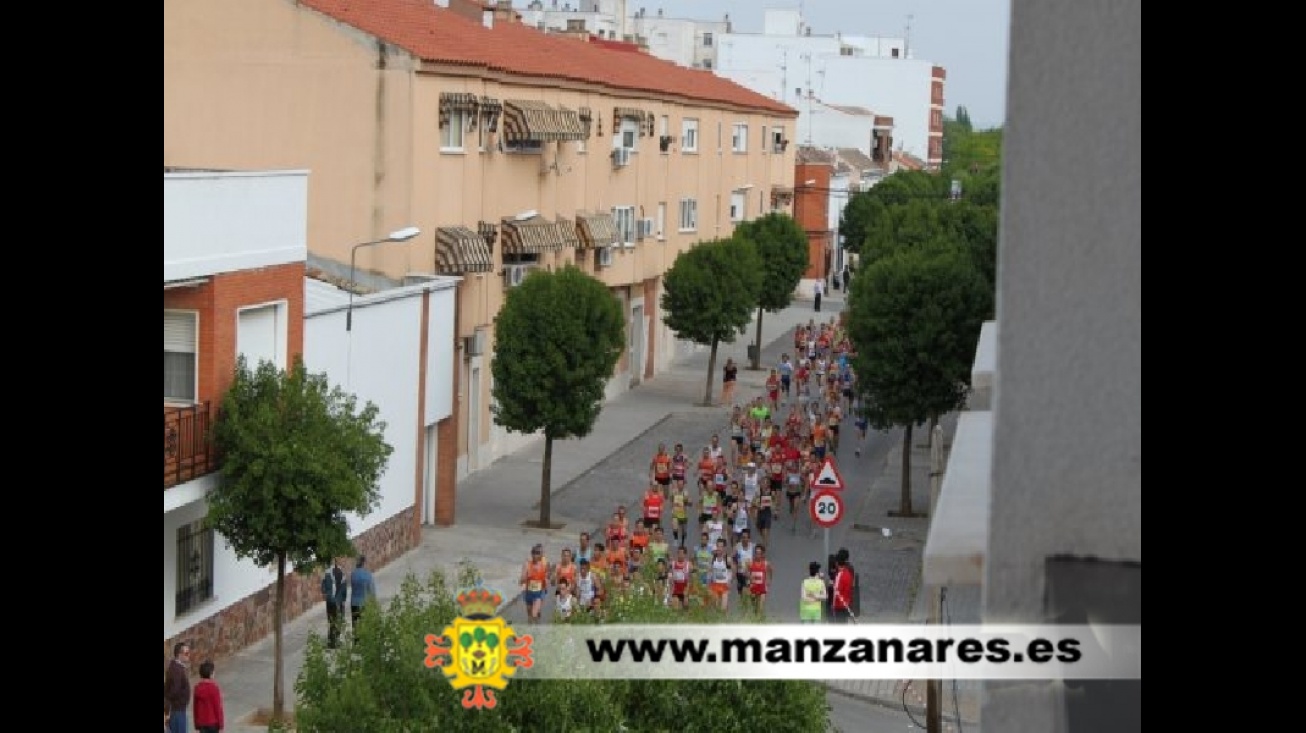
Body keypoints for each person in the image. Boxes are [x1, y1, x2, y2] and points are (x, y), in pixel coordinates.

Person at [164, 642, 191, 733]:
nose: (189, 655)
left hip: (178, 709)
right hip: (178, 710)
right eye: (186, 653)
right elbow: (174, 690)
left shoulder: (176, 667)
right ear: (179, 655)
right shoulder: (177, 670)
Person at [520, 544, 550, 624]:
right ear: (531, 553)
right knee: (530, 616)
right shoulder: (527, 565)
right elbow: (521, 581)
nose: (535, 555)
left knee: (534, 614)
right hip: (528, 593)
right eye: (533, 553)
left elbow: (547, 578)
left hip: (538, 594)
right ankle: (533, 629)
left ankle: (535, 628)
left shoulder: (544, 564)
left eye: (537, 553)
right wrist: (526, 576)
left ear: (541, 555)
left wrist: (546, 585)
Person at [192, 660, 225, 733]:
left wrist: (196, 725)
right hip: (213, 723)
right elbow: (218, 708)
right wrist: (221, 725)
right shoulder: (214, 688)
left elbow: (195, 708)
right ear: (211, 674)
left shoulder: (197, 688)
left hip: (201, 724)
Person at [321, 558, 347, 648]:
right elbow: (344, 588)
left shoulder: (326, 573)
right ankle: (336, 641)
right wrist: (344, 599)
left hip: (329, 601)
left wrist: (326, 594)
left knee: (331, 620)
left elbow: (323, 587)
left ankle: (331, 642)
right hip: (338, 600)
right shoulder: (341, 572)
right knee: (338, 620)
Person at [349, 555, 377, 631]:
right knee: (366, 626)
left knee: (355, 626)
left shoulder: (353, 574)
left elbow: (353, 586)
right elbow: (371, 591)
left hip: (354, 603)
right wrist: (374, 603)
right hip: (365, 603)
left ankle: (356, 642)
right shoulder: (367, 575)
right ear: (364, 563)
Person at [830, 548, 856, 623]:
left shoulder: (844, 571)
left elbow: (838, 589)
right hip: (846, 599)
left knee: (841, 621)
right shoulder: (849, 568)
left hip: (841, 601)